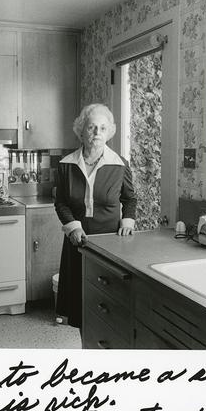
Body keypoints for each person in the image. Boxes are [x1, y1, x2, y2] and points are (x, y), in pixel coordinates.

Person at [55, 103, 136, 329]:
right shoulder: (66, 165)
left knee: (106, 305)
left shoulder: (120, 165)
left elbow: (130, 199)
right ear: (81, 130)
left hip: (109, 245)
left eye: (102, 127)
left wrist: (127, 222)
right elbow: (60, 202)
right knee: (80, 308)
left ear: (109, 131)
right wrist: (73, 227)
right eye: (91, 127)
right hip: (77, 243)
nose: (97, 133)